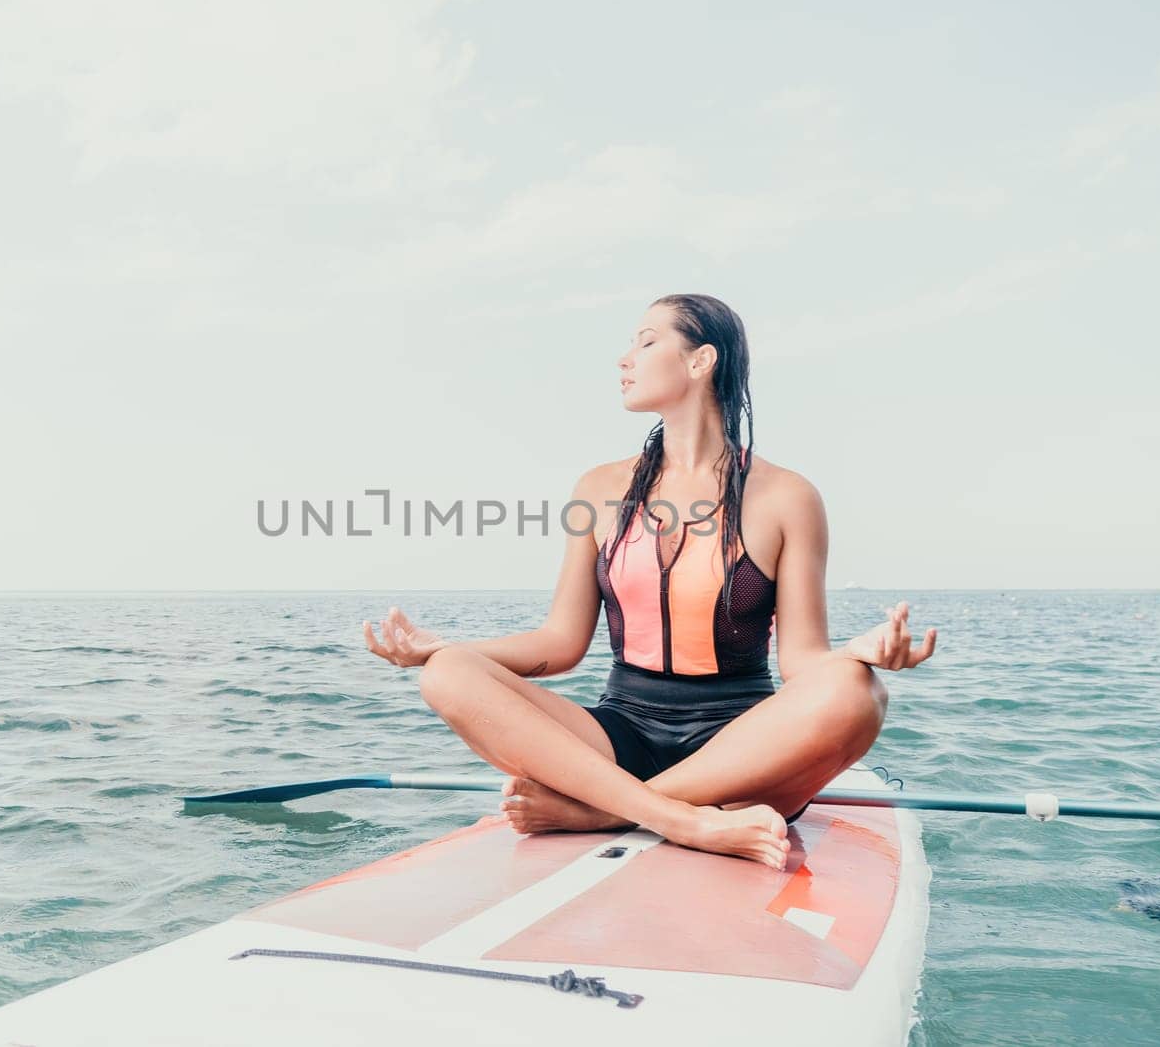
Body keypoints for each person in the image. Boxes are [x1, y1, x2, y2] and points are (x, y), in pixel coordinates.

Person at [362, 293, 936, 868]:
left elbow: (801, 663)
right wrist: (444, 649)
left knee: (858, 694)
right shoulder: (597, 488)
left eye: (646, 341)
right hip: (616, 739)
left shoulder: (788, 496)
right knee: (449, 674)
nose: (624, 360)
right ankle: (679, 817)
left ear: (700, 361)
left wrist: (856, 654)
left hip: (740, 751)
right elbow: (560, 643)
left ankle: (602, 812)